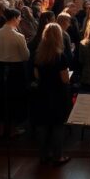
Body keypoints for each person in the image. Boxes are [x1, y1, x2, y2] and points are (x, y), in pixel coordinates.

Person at [34, 23, 71, 165]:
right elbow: (65, 79)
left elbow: (37, 75)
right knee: (58, 125)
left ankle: (43, 154)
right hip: (58, 94)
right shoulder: (60, 56)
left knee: (43, 125)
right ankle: (58, 156)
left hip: (42, 93)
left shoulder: (39, 55)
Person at [0, 8, 31, 137]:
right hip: (16, 70)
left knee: (1, 98)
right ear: (14, 18)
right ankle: (13, 128)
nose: (20, 20)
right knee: (15, 99)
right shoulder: (18, 36)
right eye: (19, 18)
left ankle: (2, 127)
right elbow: (26, 56)